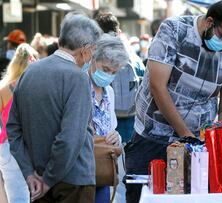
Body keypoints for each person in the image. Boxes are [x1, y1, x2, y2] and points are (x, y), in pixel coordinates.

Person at [125, 1, 222, 202]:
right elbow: (157, 87)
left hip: (198, 143)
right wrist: (186, 136)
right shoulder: (174, 30)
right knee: (141, 196)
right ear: (209, 22)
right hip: (153, 136)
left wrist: (213, 141)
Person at [7, 12, 102, 202]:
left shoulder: (30, 72)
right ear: (85, 49)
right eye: (94, 50)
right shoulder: (77, 77)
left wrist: (29, 173)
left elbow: (13, 129)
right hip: (73, 182)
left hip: (37, 178)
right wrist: (48, 180)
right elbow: (70, 137)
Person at [94, 11, 145, 203]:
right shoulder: (133, 57)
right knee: (124, 181)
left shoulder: (96, 57)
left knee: (105, 182)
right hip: (131, 130)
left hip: (102, 138)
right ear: (119, 30)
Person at [84, 33, 129, 203]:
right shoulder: (79, 84)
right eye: (105, 69)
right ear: (94, 59)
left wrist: (115, 136)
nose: (109, 75)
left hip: (102, 169)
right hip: (80, 170)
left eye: (113, 72)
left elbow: (111, 127)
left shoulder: (109, 92)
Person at [0, 43, 38, 202]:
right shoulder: (37, 87)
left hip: (7, 146)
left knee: (16, 197)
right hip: (32, 145)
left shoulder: (3, 90)